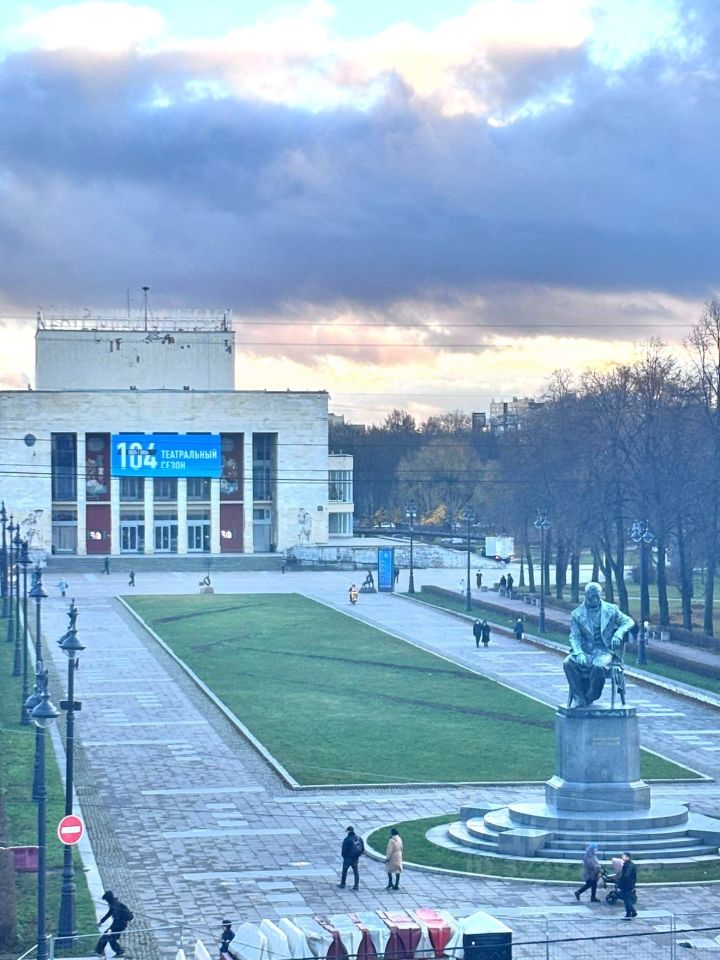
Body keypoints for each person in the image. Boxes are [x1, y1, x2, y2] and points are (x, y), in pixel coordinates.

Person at [563, 582, 634, 707]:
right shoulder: (576, 614)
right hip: (585, 651)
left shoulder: (611, 609)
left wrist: (618, 634)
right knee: (568, 663)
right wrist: (579, 653)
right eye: (593, 596)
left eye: (598, 595)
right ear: (586, 595)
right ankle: (579, 697)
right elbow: (574, 637)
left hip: (604, 651)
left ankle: (590, 696)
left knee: (598, 667)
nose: (596, 599)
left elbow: (628, 621)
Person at [95, 890, 133, 957]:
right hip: (116, 924)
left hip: (119, 925)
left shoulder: (116, 905)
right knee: (107, 936)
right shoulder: (113, 904)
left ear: (108, 899)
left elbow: (119, 918)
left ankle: (119, 951)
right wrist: (101, 922)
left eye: (106, 900)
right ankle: (99, 951)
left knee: (110, 937)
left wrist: (112, 928)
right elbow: (109, 913)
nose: (106, 902)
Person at [338, 825, 364, 890]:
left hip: (348, 858)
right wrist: (358, 855)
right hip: (355, 858)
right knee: (356, 871)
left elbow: (344, 850)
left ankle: (343, 884)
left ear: (348, 831)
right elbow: (362, 848)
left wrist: (344, 856)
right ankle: (356, 886)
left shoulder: (347, 839)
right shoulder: (359, 838)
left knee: (344, 871)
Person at [618, 851, 638, 919]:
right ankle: (633, 912)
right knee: (626, 898)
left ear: (627, 857)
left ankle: (629, 913)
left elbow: (626, 875)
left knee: (627, 899)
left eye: (623, 856)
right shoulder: (628, 864)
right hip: (628, 884)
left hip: (627, 885)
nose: (622, 857)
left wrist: (620, 882)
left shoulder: (629, 865)